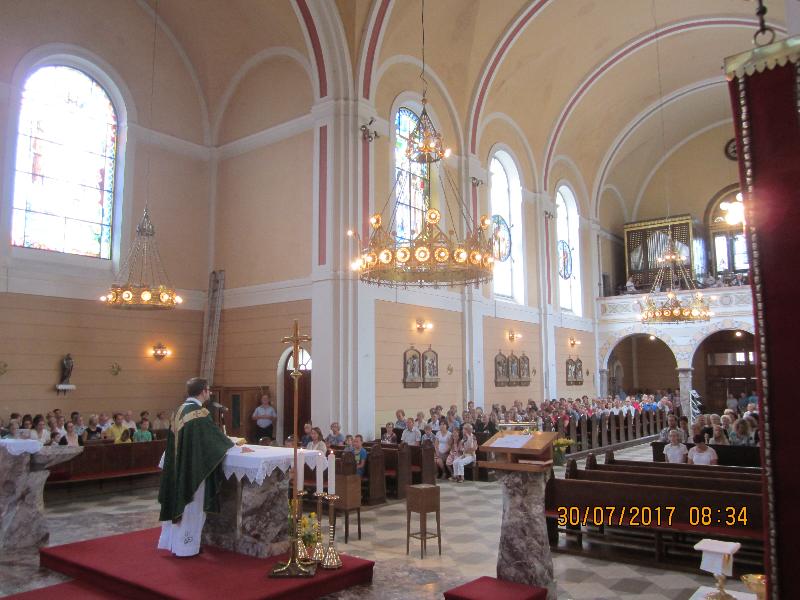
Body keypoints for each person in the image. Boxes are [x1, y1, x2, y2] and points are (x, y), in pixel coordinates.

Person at [158, 377, 235, 558]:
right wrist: (231, 444)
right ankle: (186, 548)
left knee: (180, 505)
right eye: (208, 390)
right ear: (203, 391)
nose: (210, 393)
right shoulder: (199, 413)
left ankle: (175, 544)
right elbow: (212, 440)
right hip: (193, 469)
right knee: (193, 507)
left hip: (179, 466)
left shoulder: (179, 410)